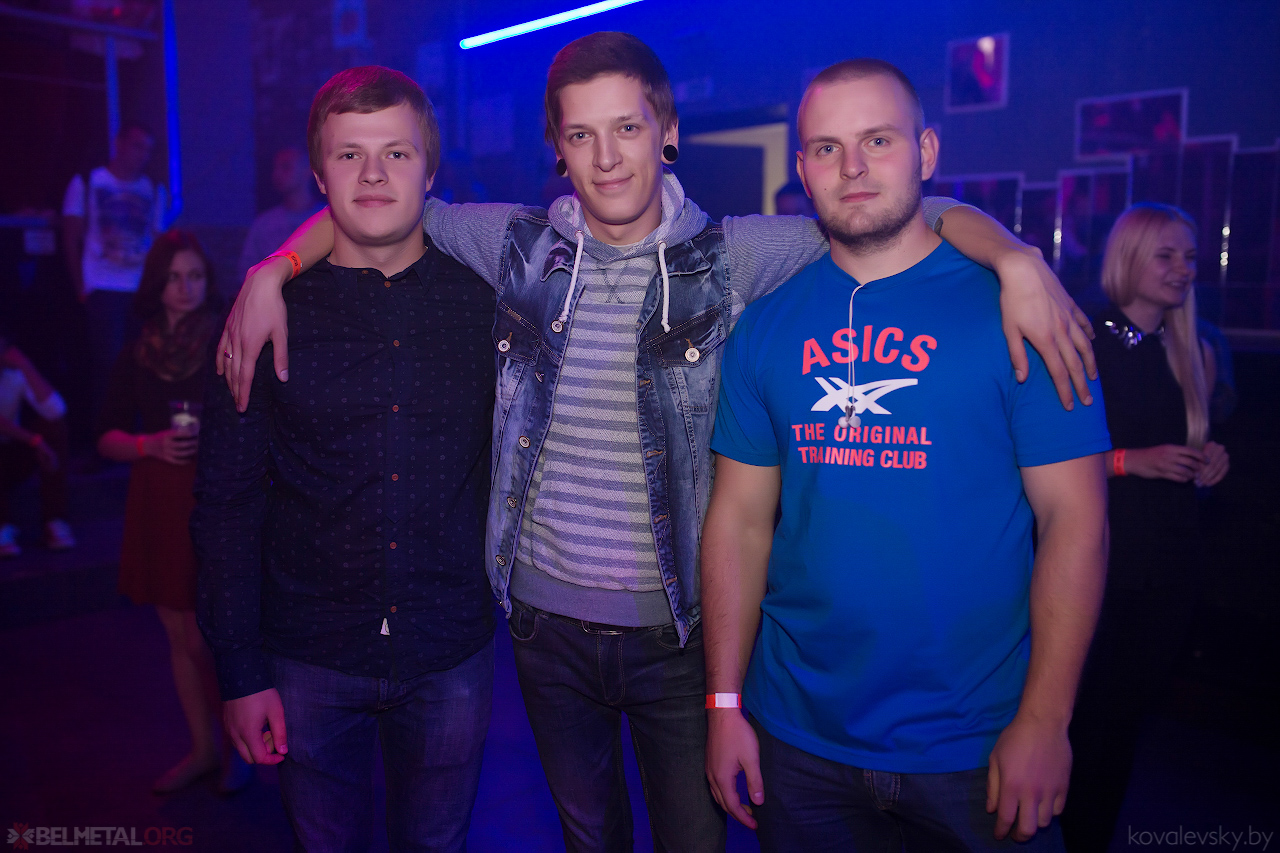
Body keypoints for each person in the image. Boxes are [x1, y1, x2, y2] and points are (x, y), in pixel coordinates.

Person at [218, 34, 1097, 852]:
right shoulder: (516, 245)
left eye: (628, 128)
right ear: (558, 150)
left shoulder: (734, 254)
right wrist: (273, 269)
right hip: (545, 629)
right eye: (582, 134)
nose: (606, 157)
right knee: (587, 836)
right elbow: (380, 205)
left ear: (667, 133)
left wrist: (1015, 257)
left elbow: (893, 207)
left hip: (679, 631)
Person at [700, 59, 1111, 852]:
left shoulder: (1024, 312)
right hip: (798, 739)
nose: (852, 167)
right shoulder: (765, 328)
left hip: (977, 742)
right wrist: (723, 704)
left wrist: (1045, 718)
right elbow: (739, 521)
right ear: (802, 169)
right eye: (827, 148)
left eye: (878, 140)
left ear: (925, 152)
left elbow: (1077, 522)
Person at [191, 67, 495, 852]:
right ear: (319, 175)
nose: (373, 174)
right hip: (309, 655)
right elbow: (226, 503)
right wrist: (239, 671)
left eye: (396, 153)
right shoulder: (264, 315)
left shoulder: (488, 302)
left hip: (449, 648)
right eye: (349, 154)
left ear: (430, 171)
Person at [1061, 204, 1229, 853]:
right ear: (1129, 257)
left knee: (1124, 722)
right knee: (1080, 720)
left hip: (1170, 558)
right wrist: (1132, 461)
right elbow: (1039, 458)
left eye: (1190, 257)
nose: (1183, 268)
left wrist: (1211, 458)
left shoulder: (1193, 348)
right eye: (1167, 255)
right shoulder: (1085, 339)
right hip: (1100, 555)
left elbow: (1194, 443)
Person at [95, 230, 250, 795]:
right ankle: (204, 749)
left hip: (215, 492)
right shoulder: (138, 351)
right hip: (158, 492)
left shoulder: (226, 339)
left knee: (208, 633)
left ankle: (238, 750)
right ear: (157, 285)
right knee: (177, 635)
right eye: (174, 277)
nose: (185, 288)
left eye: (195, 276)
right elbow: (105, 437)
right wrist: (149, 444)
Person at [63, 122, 164, 419]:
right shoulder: (88, 181)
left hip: (141, 288)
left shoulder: (153, 188)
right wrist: (81, 286)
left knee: (143, 363)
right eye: (136, 146)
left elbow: (159, 242)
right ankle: (106, 432)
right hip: (103, 285)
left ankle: (137, 430)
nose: (142, 155)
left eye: (147, 149)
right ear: (119, 143)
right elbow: (70, 237)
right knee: (108, 366)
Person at [0, 335, 73, 556]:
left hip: (8, 455)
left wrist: (25, 366)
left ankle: (55, 522)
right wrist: (33, 440)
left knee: (53, 426)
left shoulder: (12, 374)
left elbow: (56, 411)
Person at [235, 147, 323, 285]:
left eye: (286, 167)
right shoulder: (264, 223)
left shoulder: (329, 217)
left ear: (308, 170)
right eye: (275, 168)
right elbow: (247, 271)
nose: (277, 174)